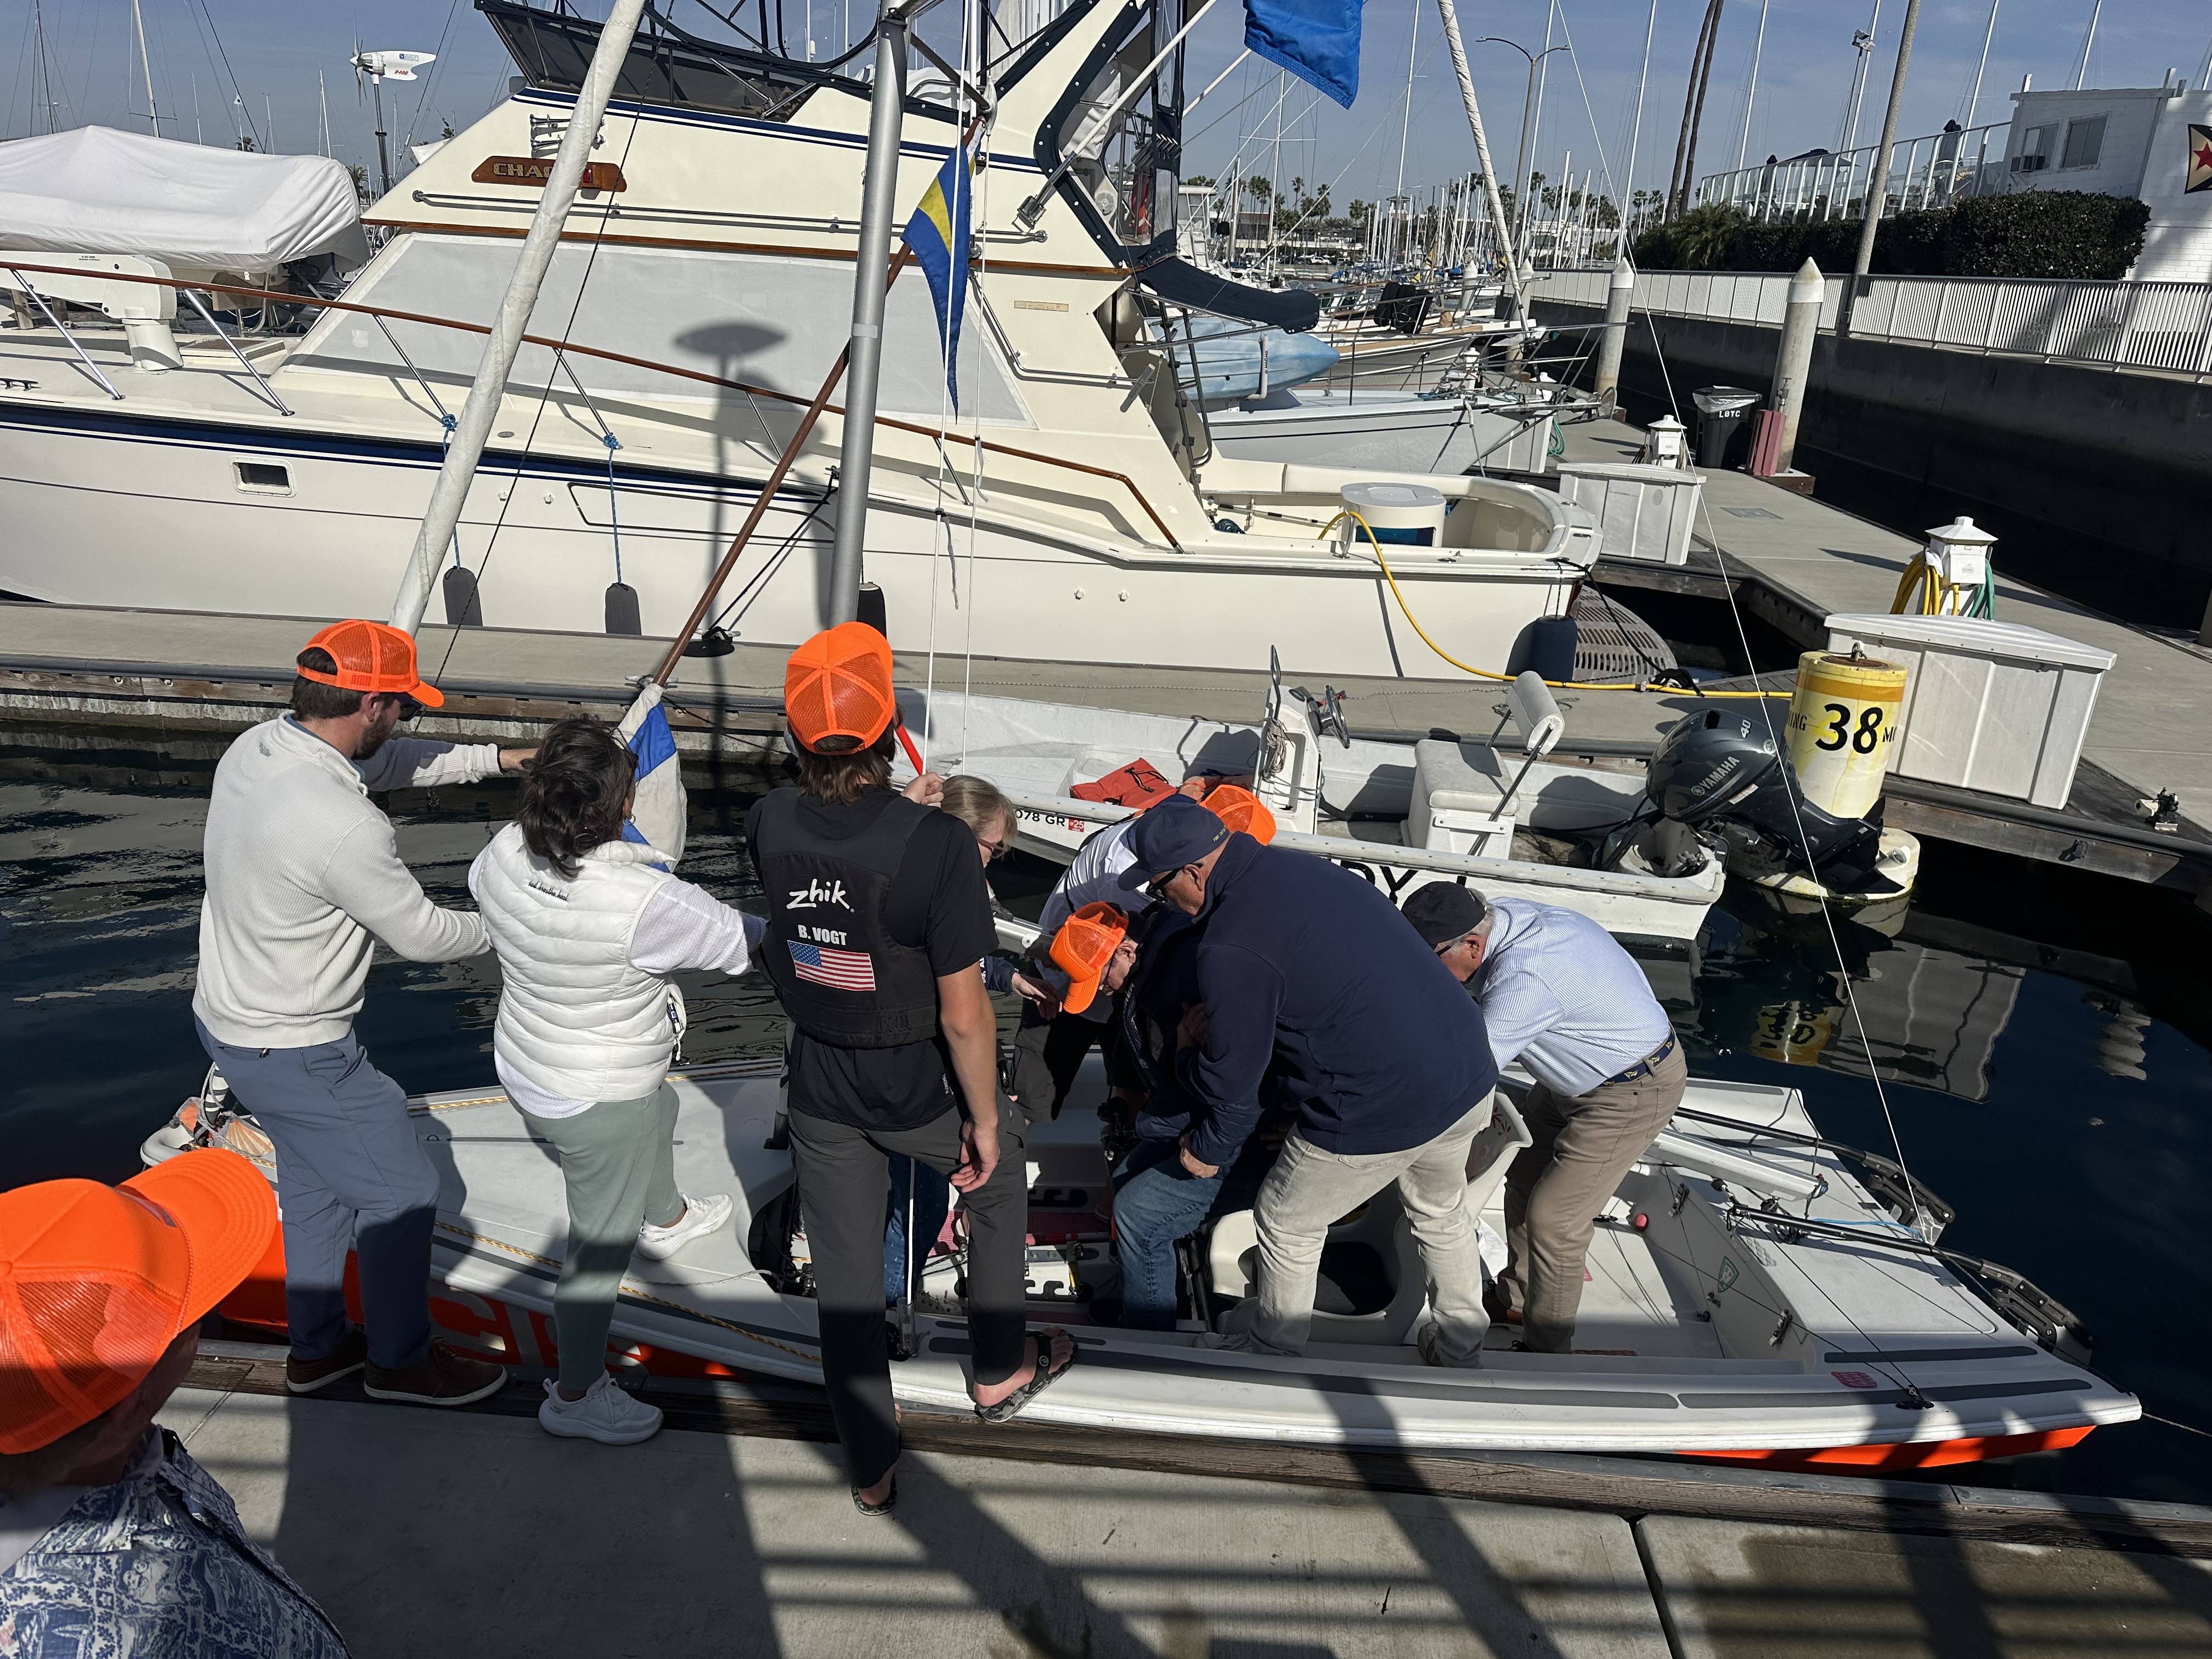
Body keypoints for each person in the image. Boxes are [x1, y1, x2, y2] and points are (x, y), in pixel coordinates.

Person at [746, 622, 1074, 1515]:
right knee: (999, 1178)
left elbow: (824, 899)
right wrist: (984, 1115)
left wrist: (907, 815)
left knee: (846, 1285)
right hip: (910, 1082)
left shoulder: (767, 817)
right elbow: (965, 1011)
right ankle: (998, 1369)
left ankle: (869, 1464)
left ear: (794, 730)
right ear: (890, 723)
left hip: (820, 1084)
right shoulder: (932, 843)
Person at [193, 620, 529, 1408]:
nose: (406, 723)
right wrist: (516, 923)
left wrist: (508, 758)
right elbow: (422, 934)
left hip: (232, 1026)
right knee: (403, 1193)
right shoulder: (344, 824)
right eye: (402, 709)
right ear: (372, 704)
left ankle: (316, 1352)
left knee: (314, 1191)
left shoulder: (258, 750)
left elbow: (388, 762)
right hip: (300, 1048)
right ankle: (402, 1363)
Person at [1122, 795, 1498, 1367]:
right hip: (1467, 1074)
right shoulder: (1303, 867)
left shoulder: (1229, 945)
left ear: (1194, 870)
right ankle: (1460, 1344)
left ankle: (1269, 1349)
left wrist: (1188, 1077)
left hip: (1380, 1103)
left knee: (1287, 1218)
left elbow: (1233, 1081)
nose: (1160, 899)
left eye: (1156, 886)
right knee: (1440, 1211)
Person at [469, 716, 753, 1446]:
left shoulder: (501, 852)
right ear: (624, 809)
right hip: (597, 1093)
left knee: (654, 1108)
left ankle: (669, 1217)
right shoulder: (648, 902)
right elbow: (738, 942)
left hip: (528, 1059)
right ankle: (575, 1393)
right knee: (597, 1252)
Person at [0, 1149, 351, 1655]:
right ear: (129, 1411)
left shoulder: (120, 1454)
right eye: (191, 1312)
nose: (203, 1318)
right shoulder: (83, 1637)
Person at [1401, 884, 1685, 1355]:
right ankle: (1515, 1300)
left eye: (1428, 959)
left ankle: (1547, 1348)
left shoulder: (1527, 978)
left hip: (1631, 1089)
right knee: (1525, 1179)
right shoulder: (1499, 920)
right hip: (1570, 1075)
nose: (1420, 972)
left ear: (1472, 945)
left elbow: (1461, 1078)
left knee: (1556, 1219)